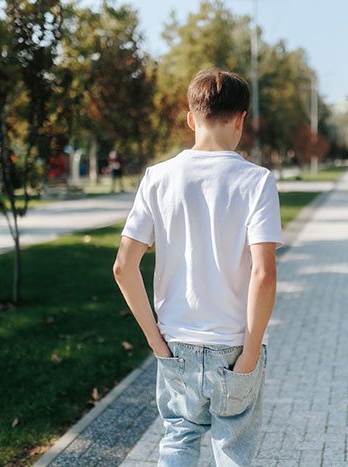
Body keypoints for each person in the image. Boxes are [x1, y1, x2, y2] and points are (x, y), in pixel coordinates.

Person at [112, 68, 283, 466]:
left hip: (175, 345)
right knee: (233, 449)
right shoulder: (257, 181)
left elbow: (123, 267)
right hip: (235, 344)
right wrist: (252, 351)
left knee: (178, 441)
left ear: (191, 119)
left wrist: (156, 342)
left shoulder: (157, 178)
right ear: (241, 119)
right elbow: (264, 273)